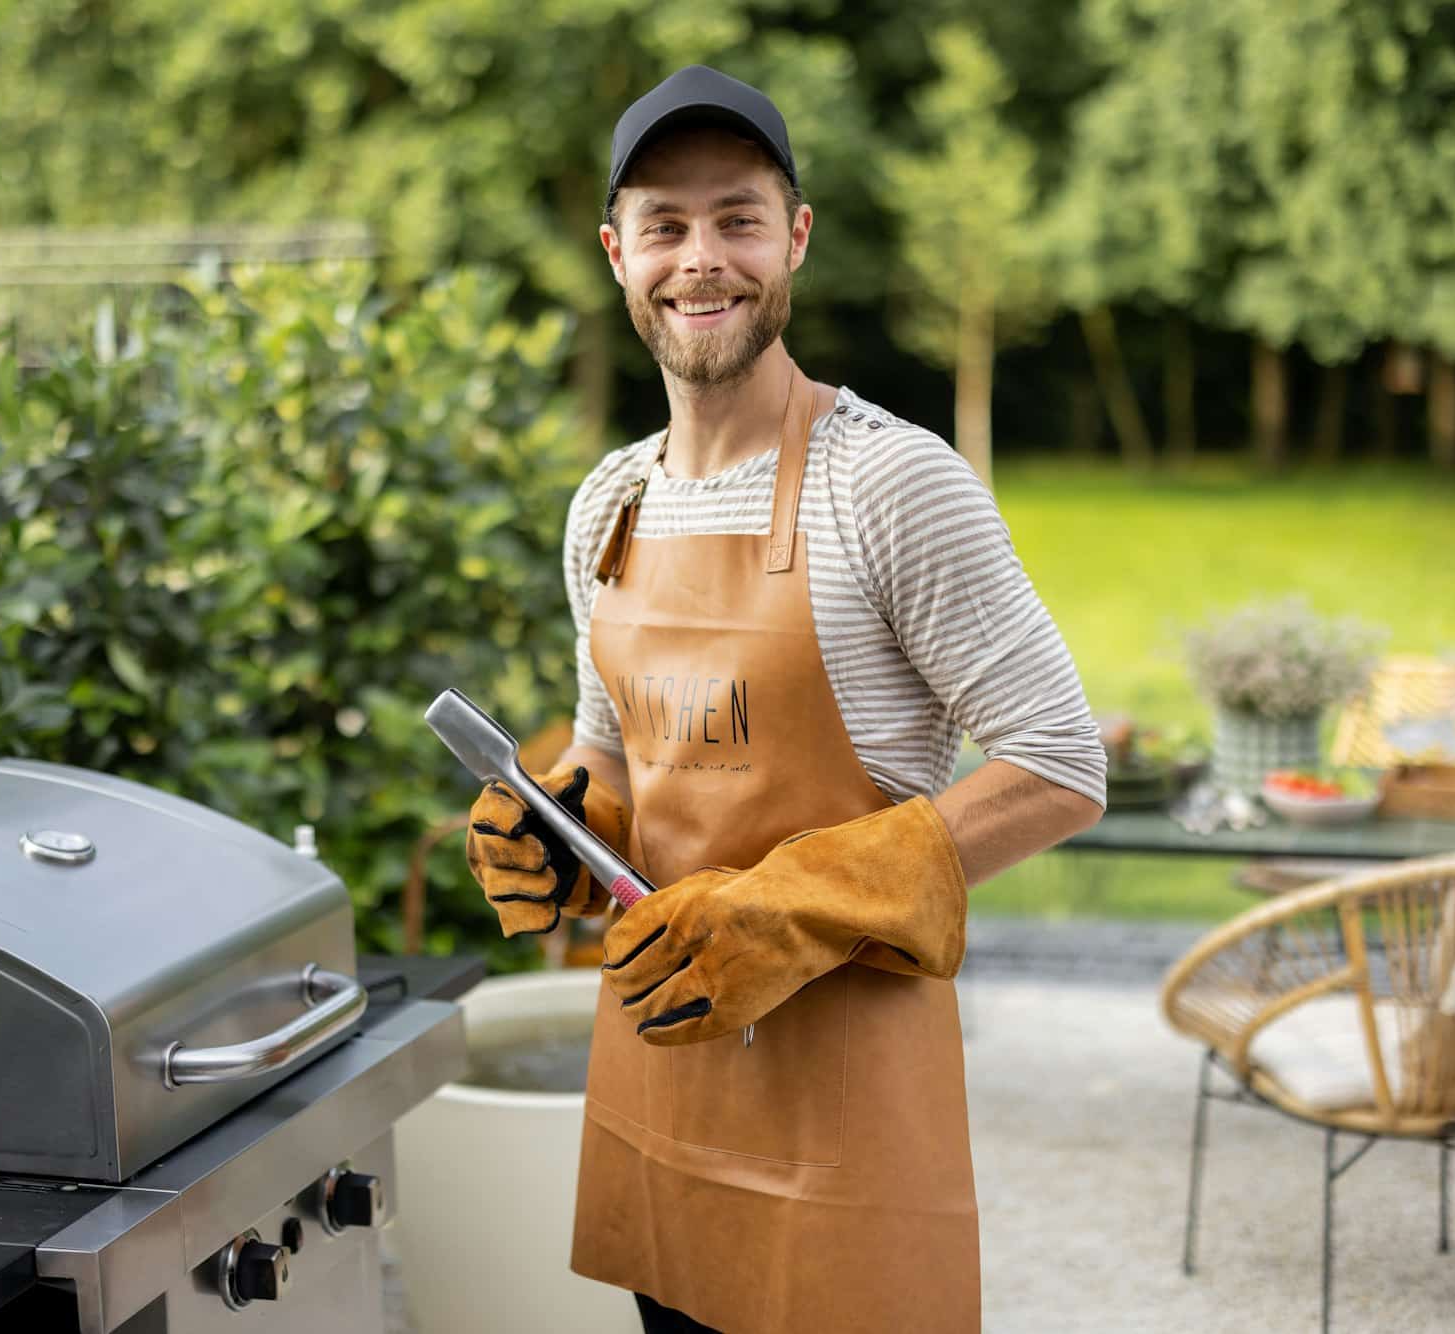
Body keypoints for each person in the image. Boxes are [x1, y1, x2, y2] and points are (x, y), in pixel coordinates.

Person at [464, 64, 1107, 1334]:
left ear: (794, 236)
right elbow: (617, 750)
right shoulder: (608, 503)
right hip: (668, 1081)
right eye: (664, 225)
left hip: (845, 1123)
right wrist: (561, 825)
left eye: (737, 218)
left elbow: (1058, 761)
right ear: (615, 253)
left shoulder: (890, 484)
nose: (701, 260)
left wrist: (798, 903)